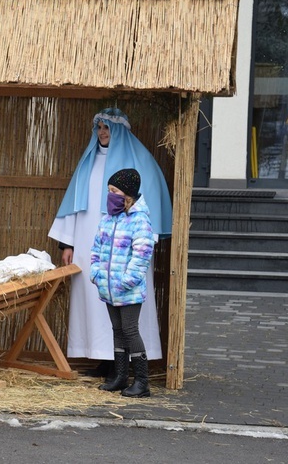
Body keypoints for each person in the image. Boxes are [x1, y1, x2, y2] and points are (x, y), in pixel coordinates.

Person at [48, 108, 172, 376]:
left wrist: (143, 245)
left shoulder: (141, 163)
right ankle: (103, 359)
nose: (102, 132)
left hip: (126, 251)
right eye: (99, 127)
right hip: (94, 246)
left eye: (107, 127)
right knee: (95, 301)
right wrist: (68, 244)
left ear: (119, 129)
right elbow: (75, 204)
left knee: (126, 313)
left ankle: (130, 369)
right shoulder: (88, 163)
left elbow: (148, 210)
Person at [90, 169, 154, 397]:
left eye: (114, 191)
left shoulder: (140, 221)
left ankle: (142, 382)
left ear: (127, 193)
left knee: (129, 330)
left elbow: (142, 254)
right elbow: (96, 250)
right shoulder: (107, 220)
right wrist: (96, 274)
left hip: (128, 290)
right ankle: (120, 376)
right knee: (117, 330)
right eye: (109, 191)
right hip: (108, 288)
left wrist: (127, 280)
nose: (110, 195)